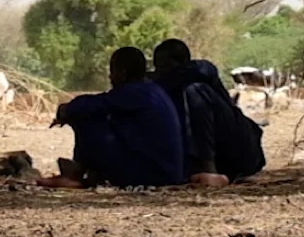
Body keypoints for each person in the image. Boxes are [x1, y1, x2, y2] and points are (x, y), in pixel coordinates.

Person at [40, 47, 185, 189]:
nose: (110, 77)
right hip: (166, 172)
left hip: (152, 175)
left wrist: (65, 110)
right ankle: (90, 172)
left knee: (87, 118)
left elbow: (86, 106)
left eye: (112, 72)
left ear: (122, 73)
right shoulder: (151, 90)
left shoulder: (135, 93)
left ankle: (74, 176)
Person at [153, 38, 265, 186]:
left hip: (242, 148)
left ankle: (208, 168)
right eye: (157, 67)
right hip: (224, 162)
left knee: (196, 91)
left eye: (164, 65)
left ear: (183, 61)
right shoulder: (162, 91)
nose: (159, 71)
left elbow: (202, 70)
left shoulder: (201, 70)